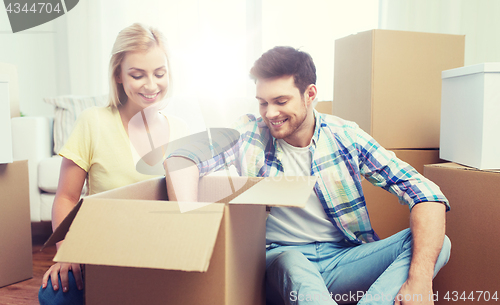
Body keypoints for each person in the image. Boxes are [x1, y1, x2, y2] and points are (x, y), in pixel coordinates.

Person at [165, 46, 450, 305]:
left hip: (342, 259)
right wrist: (190, 224)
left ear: (310, 94)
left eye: (280, 101)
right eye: (263, 103)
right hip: (282, 259)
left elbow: (426, 194)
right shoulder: (248, 135)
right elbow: (181, 158)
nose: (270, 113)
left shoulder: (345, 135)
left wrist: (420, 281)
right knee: (293, 263)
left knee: (435, 244)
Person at [39, 23, 188, 305]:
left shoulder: (180, 130)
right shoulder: (92, 122)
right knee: (53, 296)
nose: (151, 85)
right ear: (118, 74)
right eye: (137, 75)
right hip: (102, 250)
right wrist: (68, 251)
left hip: (158, 254)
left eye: (159, 73)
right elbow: (66, 197)